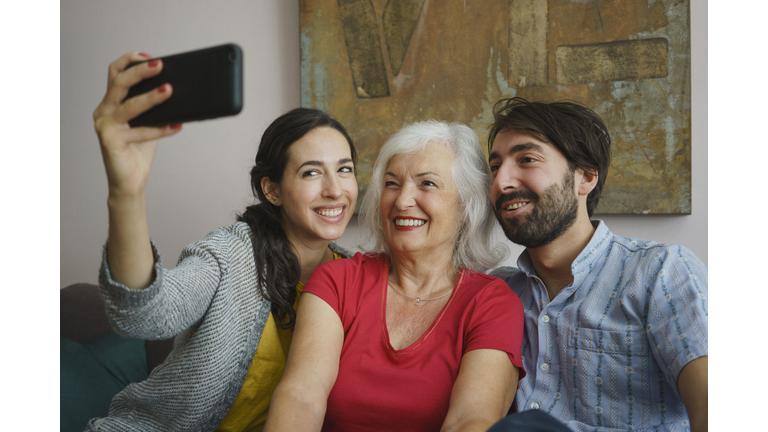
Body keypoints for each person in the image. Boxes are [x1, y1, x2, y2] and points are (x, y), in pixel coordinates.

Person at [86, 52, 358, 431]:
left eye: (344, 169)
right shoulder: (232, 254)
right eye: (311, 172)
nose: (334, 190)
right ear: (272, 190)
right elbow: (144, 314)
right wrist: (126, 191)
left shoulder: (357, 277)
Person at [263, 121, 525, 432]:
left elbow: (471, 419)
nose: (402, 201)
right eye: (392, 183)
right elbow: (302, 394)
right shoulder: (337, 280)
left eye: (427, 184)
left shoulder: (493, 303)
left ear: (466, 207)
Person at [486, 97, 708, 431]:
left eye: (527, 159)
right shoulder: (498, 292)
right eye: (495, 167)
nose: (502, 182)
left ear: (586, 176)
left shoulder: (661, 271)